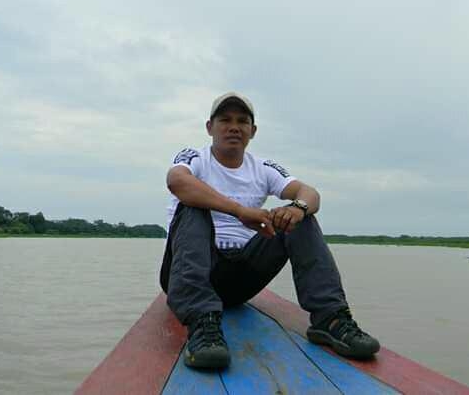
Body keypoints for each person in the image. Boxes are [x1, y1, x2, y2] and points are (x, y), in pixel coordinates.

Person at [159, 91, 380, 369]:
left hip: (239, 278)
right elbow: (177, 182)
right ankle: (201, 324)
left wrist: (297, 208)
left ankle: (330, 318)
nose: (234, 127)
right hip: (189, 274)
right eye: (225, 120)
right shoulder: (194, 158)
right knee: (191, 207)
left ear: (253, 131)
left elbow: (309, 193)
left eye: (242, 121)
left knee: (301, 217)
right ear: (209, 127)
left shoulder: (263, 168)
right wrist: (240, 211)